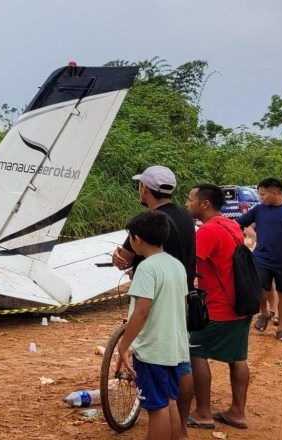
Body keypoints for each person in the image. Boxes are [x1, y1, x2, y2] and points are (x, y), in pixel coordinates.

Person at [112, 165, 196, 436]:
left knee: (157, 406)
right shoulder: (185, 219)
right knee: (169, 397)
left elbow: (142, 312)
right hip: (175, 335)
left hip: (153, 346)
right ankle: (179, 430)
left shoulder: (147, 231)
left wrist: (125, 346)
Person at [184, 184, 252, 430]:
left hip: (218, 307)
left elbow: (190, 265)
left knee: (196, 352)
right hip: (241, 303)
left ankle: (203, 412)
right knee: (238, 357)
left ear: (204, 204)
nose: (186, 204)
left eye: (190, 199)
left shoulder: (207, 232)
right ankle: (237, 412)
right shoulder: (231, 225)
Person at [237, 177, 282, 342]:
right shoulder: (259, 210)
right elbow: (238, 224)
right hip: (262, 257)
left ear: (275, 192)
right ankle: (264, 313)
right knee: (258, 287)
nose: (260, 198)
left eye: (263, 194)